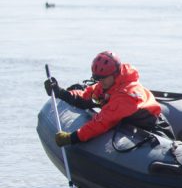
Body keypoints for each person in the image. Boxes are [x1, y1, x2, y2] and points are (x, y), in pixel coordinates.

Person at [44, 51, 174, 146]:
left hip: (155, 130)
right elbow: (86, 98)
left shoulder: (127, 95)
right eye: (98, 79)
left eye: (103, 78)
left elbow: (102, 122)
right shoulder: (106, 85)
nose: (100, 82)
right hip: (132, 127)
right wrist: (59, 92)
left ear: (115, 74)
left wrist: (71, 138)